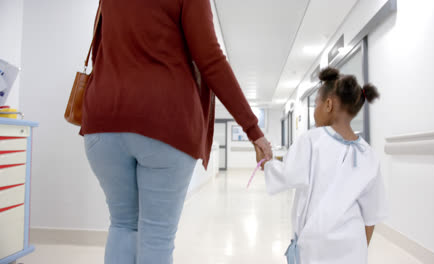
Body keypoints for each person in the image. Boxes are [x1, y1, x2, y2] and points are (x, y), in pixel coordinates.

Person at [80, 0, 272, 263]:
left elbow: (100, 48)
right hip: (165, 119)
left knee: (122, 225)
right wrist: (252, 128)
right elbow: (211, 59)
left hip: (103, 121)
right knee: (156, 235)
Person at [255, 67, 388, 264]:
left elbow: (287, 175)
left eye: (315, 102)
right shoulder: (368, 154)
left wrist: (265, 162)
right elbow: (371, 215)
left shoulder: (311, 140)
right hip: (354, 250)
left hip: (315, 250)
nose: (314, 108)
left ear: (328, 104)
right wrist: (357, 252)